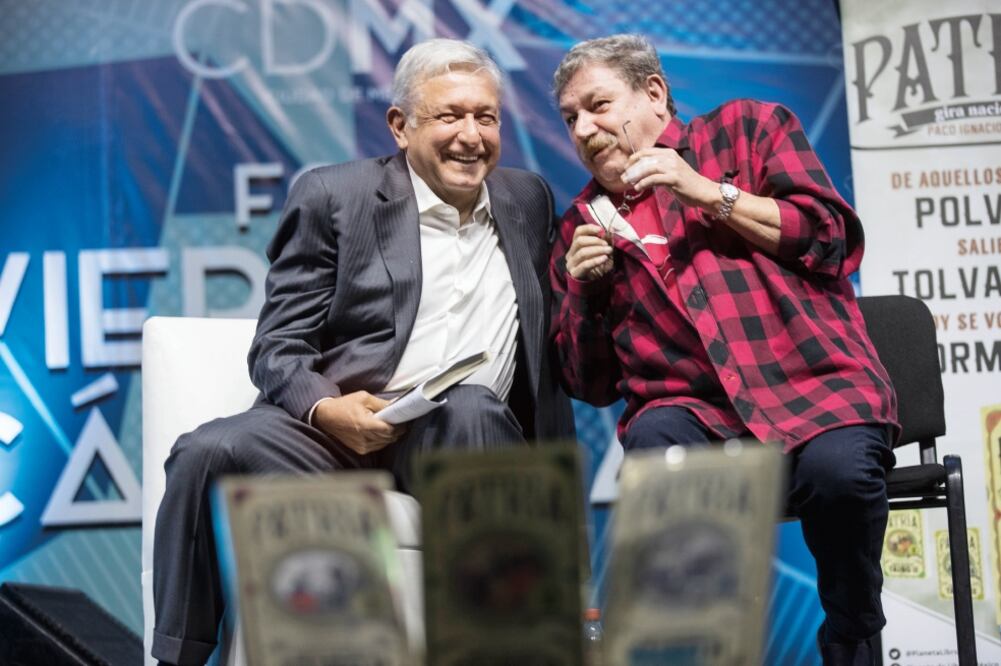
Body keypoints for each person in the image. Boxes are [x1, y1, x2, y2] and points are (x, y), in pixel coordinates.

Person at [152, 38, 574, 666]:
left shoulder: (527, 200)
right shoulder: (335, 196)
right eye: (449, 116)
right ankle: (175, 658)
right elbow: (278, 344)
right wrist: (328, 410)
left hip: (457, 437)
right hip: (339, 434)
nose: (470, 136)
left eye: (485, 117)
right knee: (205, 450)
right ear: (401, 126)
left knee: (472, 404)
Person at [549, 34, 897, 665]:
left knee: (840, 475)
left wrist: (709, 193)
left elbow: (833, 239)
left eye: (598, 105)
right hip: (692, 412)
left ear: (654, 93)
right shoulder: (580, 224)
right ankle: (704, 647)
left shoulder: (747, 131)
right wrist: (581, 290)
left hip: (813, 386)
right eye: (571, 118)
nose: (584, 129)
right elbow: (588, 383)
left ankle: (851, 632)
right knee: (655, 450)